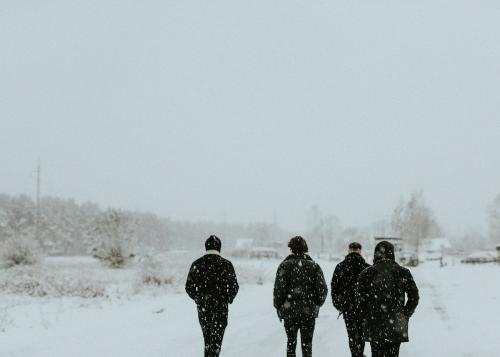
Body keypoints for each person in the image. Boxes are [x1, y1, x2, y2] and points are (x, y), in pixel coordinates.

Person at [356, 241, 419, 357]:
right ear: (392, 253)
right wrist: (404, 314)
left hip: (373, 323)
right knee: (393, 353)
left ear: (376, 254)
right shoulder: (403, 272)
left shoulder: (366, 273)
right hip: (396, 323)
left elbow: (359, 300)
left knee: (376, 353)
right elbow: (414, 297)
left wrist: (366, 315)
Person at [273, 236, 328, 357]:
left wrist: (279, 306)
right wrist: (317, 304)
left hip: (289, 311)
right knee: (307, 345)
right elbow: (322, 289)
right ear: (305, 249)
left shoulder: (284, 266)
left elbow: (278, 290)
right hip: (308, 312)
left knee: (291, 344)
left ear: (291, 248)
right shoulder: (314, 266)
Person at [185, 235, 239, 357]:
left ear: (206, 247)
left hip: (203, 308)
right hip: (221, 308)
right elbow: (234, 287)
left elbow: (189, 287)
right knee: (216, 342)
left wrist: (199, 298)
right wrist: (227, 298)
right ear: (219, 248)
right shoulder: (226, 265)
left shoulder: (197, 264)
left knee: (207, 339)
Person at [331, 242, 370, 357]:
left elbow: (334, 287)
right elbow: (371, 289)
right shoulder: (366, 267)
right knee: (361, 333)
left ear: (348, 250)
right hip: (363, 307)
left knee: (352, 334)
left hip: (347, 306)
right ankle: (360, 353)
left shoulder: (340, 267)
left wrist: (338, 305)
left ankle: (355, 354)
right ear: (360, 251)